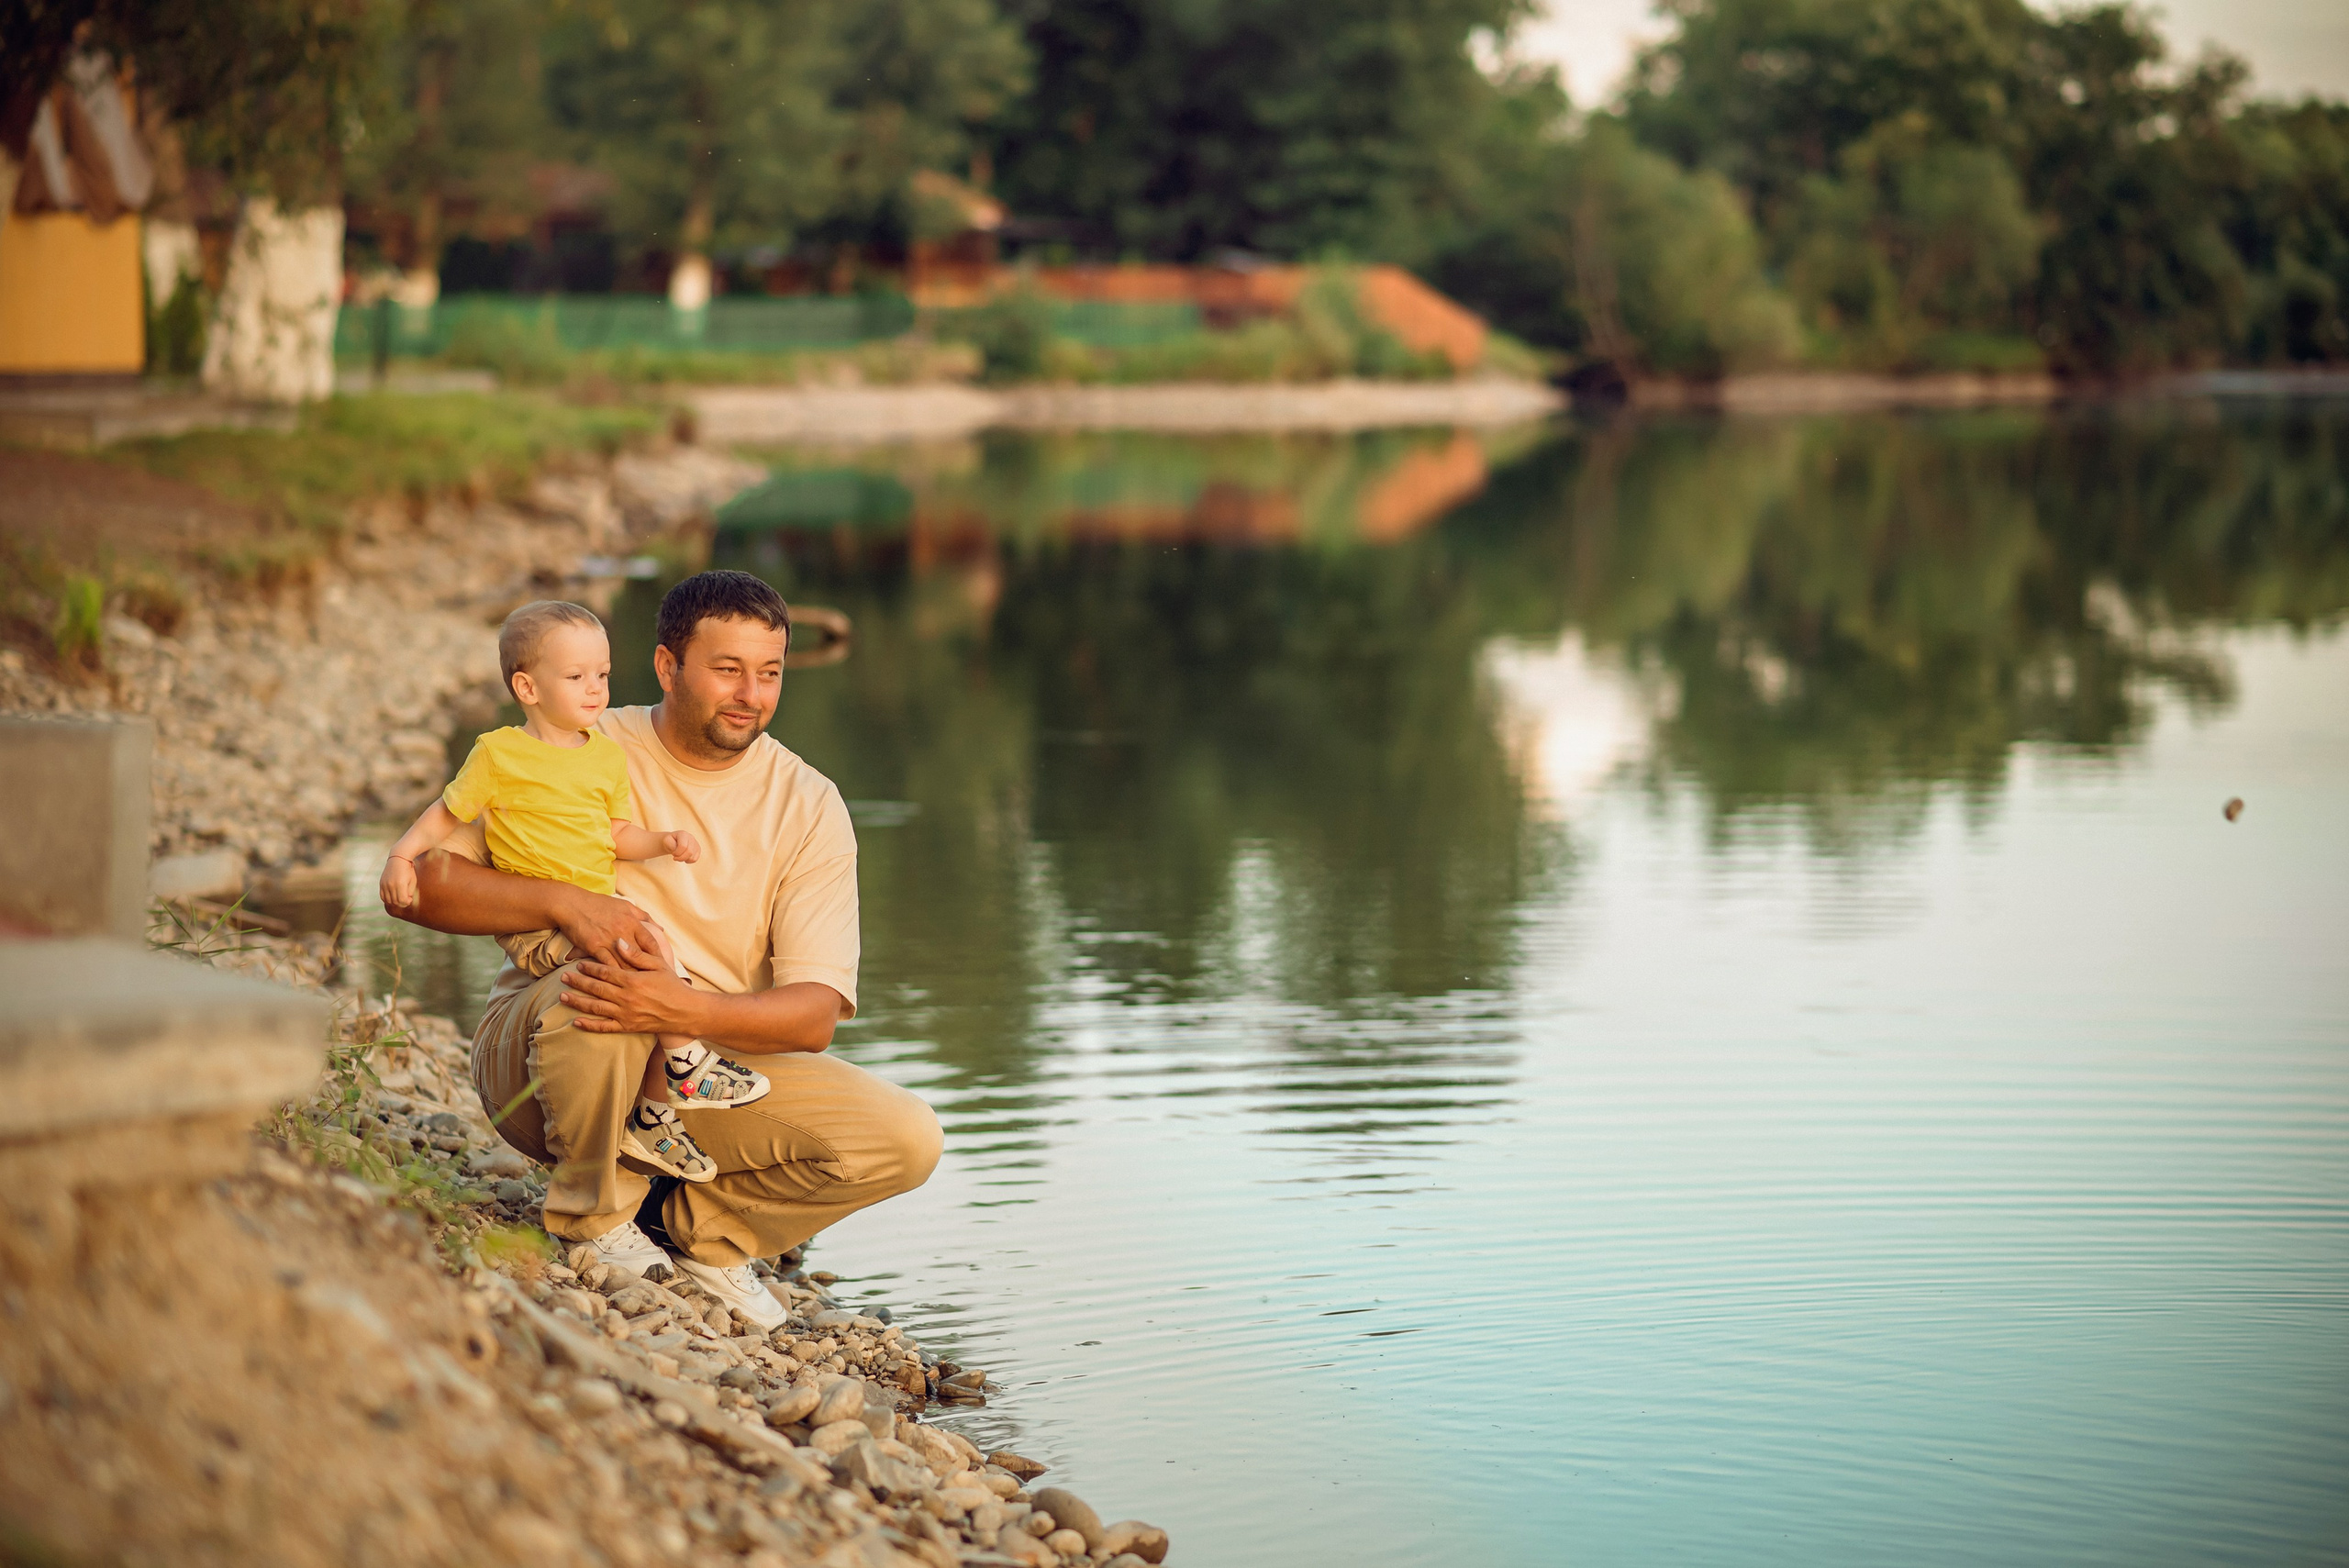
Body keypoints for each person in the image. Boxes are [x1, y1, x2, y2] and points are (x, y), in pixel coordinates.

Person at [388, 571, 941, 1329]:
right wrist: (566, 903)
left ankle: (700, 1232)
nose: (751, 693)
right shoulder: (572, 744)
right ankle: (592, 1216)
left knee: (906, 1139)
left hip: (699, 1071)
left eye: (770, 672)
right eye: (727, 669)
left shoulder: (809, 805)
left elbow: (813, 1018)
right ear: (666, 667)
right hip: (544, 1055)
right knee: (612, 973)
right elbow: (424, 880)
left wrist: (681, 1007)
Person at [379, 598, 763, 1186]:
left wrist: (662, 841)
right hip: (540, 927)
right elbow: (446, 813)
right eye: (577, 677)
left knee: (657, 961)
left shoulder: (604, 757)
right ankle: (681, 1073)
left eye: (603, 676)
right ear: (528, 687)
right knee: (638, 967)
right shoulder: (499, 753)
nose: (595, 690)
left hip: (599, 915)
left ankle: (660, 1105)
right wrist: (402, 855)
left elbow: (613, 835)